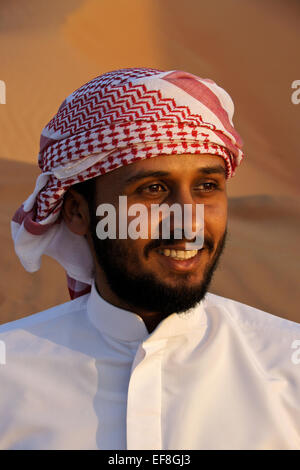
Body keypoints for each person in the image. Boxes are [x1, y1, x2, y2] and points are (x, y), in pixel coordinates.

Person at [1, 68, 299, 450]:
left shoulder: (289, 367)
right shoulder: (9, 376)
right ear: (77, 212)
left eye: (207, 186)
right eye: (153, 189)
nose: (189, 221)